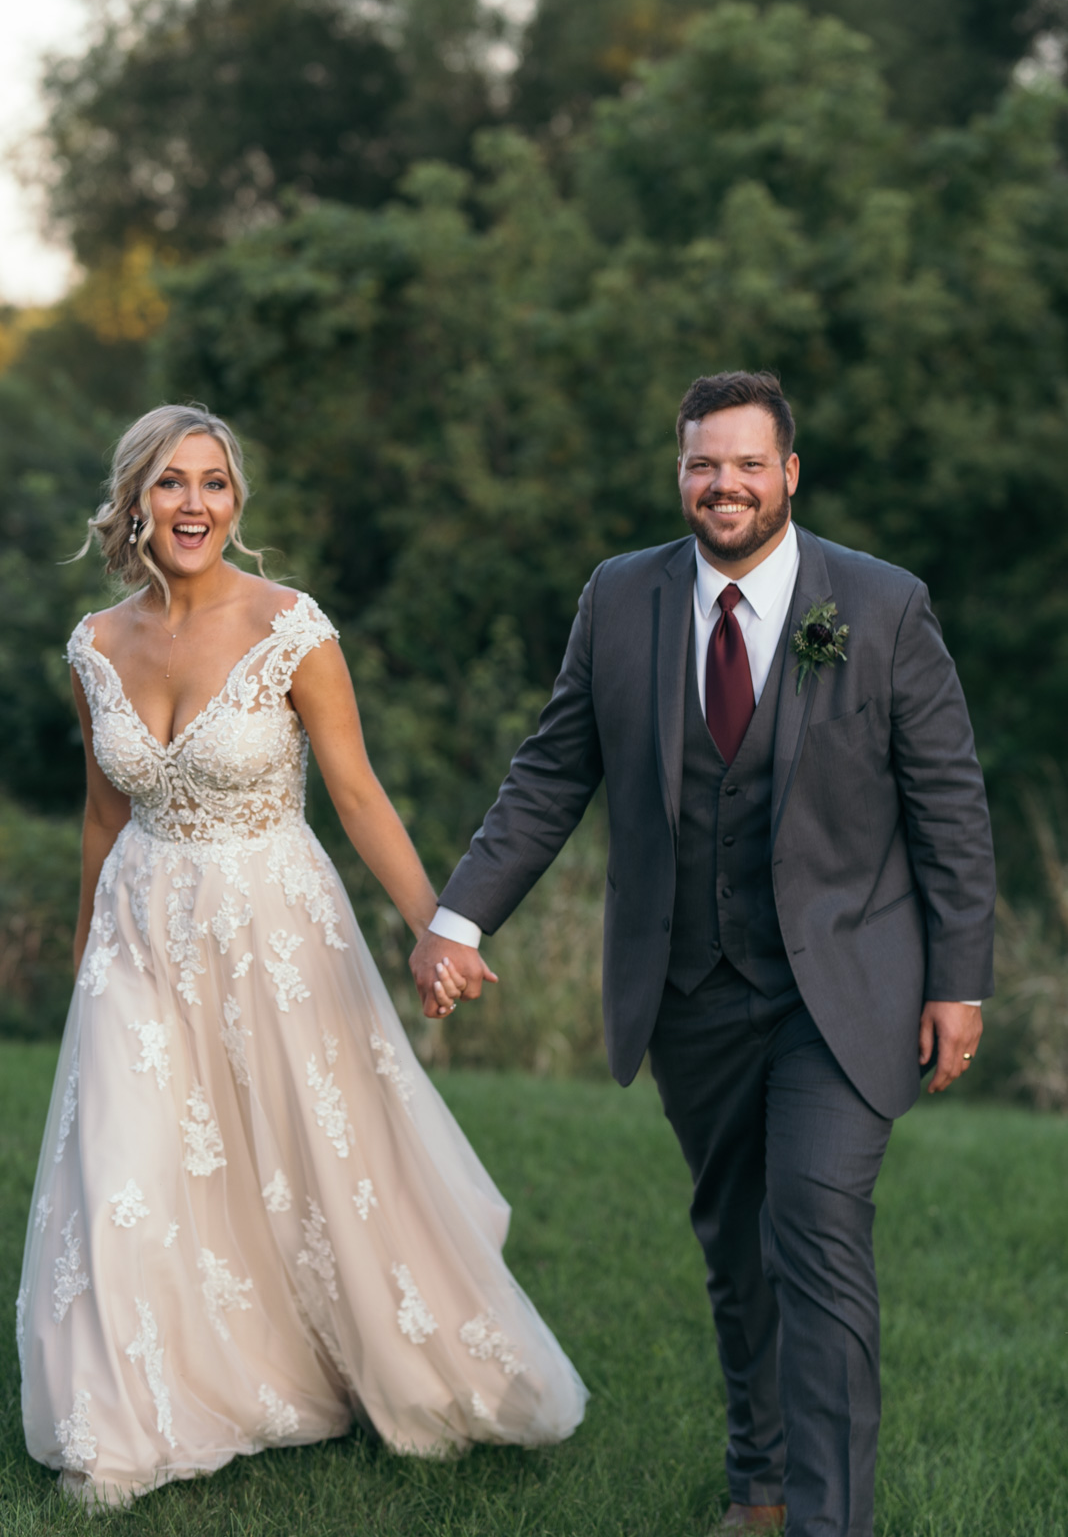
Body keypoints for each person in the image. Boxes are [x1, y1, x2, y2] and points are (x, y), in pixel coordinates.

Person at [410, 371, 996, 1537]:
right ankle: (760, 1485)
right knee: (738, 1245)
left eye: (744, 463)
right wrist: (459, 915)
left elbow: (951, 804)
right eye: (700, 463)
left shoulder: (881, 607)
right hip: (687, 986)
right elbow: (551, 772)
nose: (722, 484)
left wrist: (958, 977)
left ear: (789, 473)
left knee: (816, 1227)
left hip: (845, 984)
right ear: (680, 473)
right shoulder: (621, 598)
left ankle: (831, 1523)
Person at [17, 403, 586, 1508]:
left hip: (273, 923)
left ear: (237, 501)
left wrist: (438, 925)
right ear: (135, 500)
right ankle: (124, 1422)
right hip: (141, 930)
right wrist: (89, 953)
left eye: (215, 482)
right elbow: (100, 814)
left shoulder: (292, 629)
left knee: (313, 1164)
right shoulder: (95, 642)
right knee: (127, 1169)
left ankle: (361, 1364)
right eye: (173, 483)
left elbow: (360, 794)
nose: (195, 504)